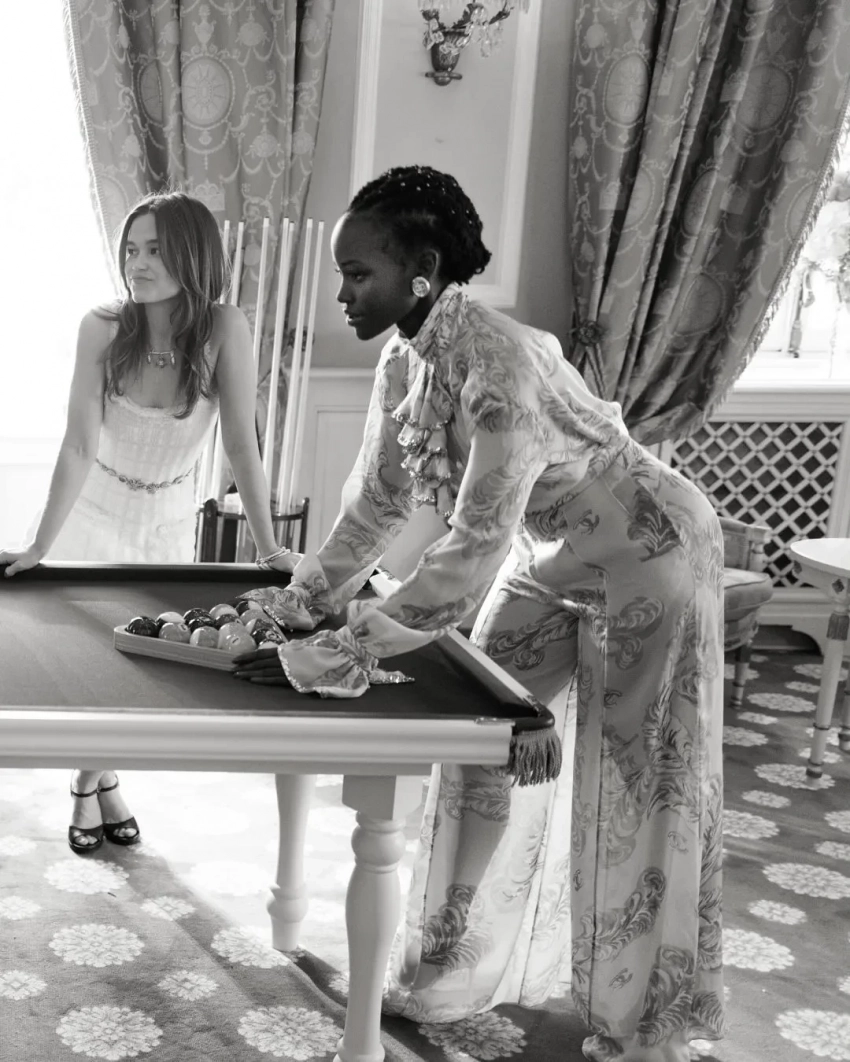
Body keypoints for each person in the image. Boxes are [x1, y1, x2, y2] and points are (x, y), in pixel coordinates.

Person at [231, 165, 726, 1062]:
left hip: (649, 550)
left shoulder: (503, 365)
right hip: (550, 556)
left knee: (637, 781)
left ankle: (640, 1026)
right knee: (479, 738)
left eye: (357, 274)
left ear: (422, 273)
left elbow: (473, 544)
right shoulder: (403, 359)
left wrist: (348, 647)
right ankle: (444, 969)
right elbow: (375, 505)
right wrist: (303, 603)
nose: (342, 293)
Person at [0, 191, 293, 855]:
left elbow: (240, 444)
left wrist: (271, 547)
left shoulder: (225, 329)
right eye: (131, 249)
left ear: (193, 253)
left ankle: (93, 779)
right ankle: (94, 783)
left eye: (156, 249)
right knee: (89, 669)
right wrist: (40, 544)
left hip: (167, 525)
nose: (138, 263)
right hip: (91, 515)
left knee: (138, 667)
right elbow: (78, 445)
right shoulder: (101, 327)